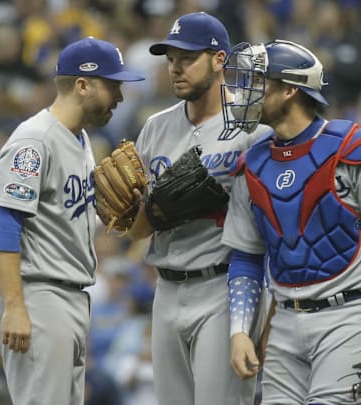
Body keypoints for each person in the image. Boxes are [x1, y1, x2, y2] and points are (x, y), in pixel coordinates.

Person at [220, 39, 361, 404]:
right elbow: (246, 258)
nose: (244, 91)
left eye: (257, 81)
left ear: (288, 90)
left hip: (350, 315)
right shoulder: (250, 164)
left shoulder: (353, 147)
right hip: (283, 322)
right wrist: (239, 331)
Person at [0, 37, 143, 405]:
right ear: (82, 85)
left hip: (64, 294)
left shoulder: (80, 138)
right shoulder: (34, 140)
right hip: (36, 293)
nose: (119, 97)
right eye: (112, 85)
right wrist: (15, 306)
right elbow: (4, 222)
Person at [127, 12, 270, 405]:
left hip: (223, 287)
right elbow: (137, 230)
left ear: (219, 59)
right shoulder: (155, 127)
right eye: (170, 58)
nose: (175, 68)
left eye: (187, 58)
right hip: (166, 289)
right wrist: (147, 212)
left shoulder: (253, 129)